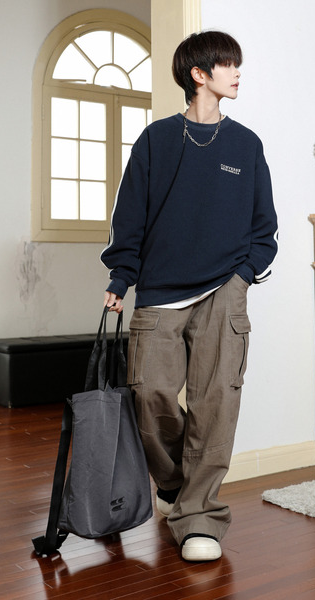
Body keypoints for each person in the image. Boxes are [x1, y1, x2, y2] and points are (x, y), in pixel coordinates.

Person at [101, 30, 278, 562]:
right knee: (149, 395)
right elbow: (129, 217)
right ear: (199, 74)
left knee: (216, 403)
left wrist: (242, 276)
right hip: (159, 289)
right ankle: (179, 484)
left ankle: (201, 518)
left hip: (225, 289)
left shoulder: (246, 144)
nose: (237, 72)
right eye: (227, 64)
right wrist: (120, 279)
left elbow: (265, 229)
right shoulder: (156, 140)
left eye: (237, 64)